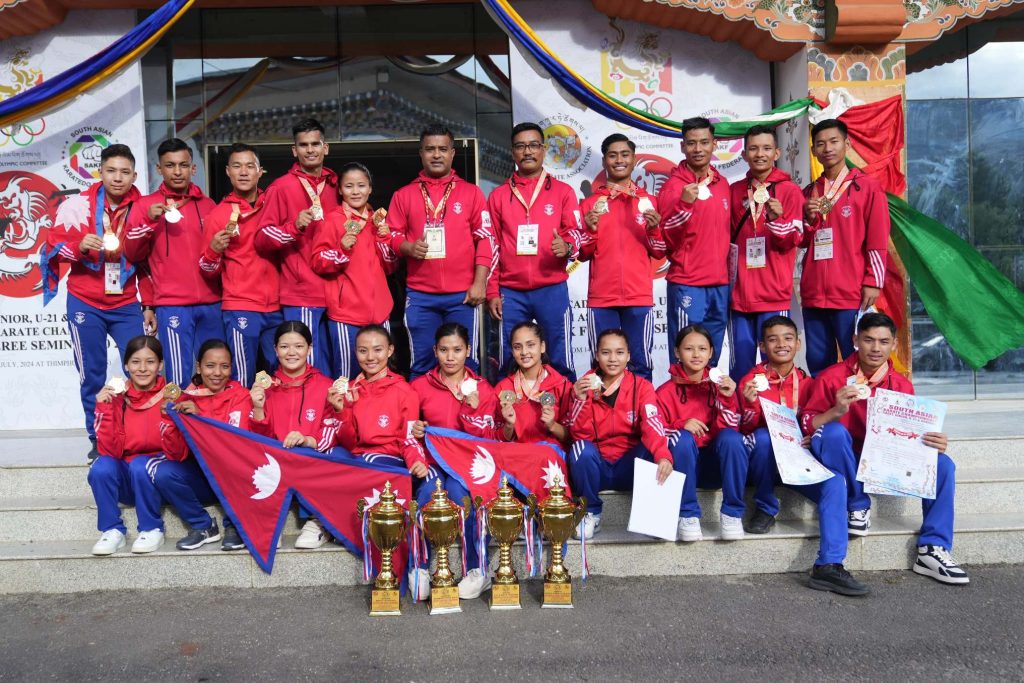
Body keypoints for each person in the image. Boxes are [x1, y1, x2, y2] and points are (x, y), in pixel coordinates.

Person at [801, 312, 968, 585]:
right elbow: (807, 424)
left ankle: (932, 548)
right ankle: (856, 504)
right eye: (868, 340)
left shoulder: (901, 384)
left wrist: (931, 444)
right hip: (842, 459)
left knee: (944, 464)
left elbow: (909, 434)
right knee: (832, 433)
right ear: (856, 340)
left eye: (883, 341)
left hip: (882, 460)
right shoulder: (832, 376)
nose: (876, 348)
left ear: (894, 344)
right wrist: (836, 411)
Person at [737, 316, 868, 596]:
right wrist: (749, 405)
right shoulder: (751, 381)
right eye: (772, 339)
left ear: (798, 344)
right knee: (763, 438)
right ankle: (765, 506)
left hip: (798, 462)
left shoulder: (809, 382)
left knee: (835, 483)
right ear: (762, 346)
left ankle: (829, 565)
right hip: (764, 461)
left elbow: (812, 421)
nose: (781, 344)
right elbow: (744, 428)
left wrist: (810, 436)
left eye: (787, 338)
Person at [43, 144, 147, 459]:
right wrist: (79, 246)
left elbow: (149, 262)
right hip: (85, 302)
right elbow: (51, 248)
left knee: (142, 366)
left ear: (134, 176)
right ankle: (98, 437)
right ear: (100, 172)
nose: (118, 178)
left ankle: (138, 433)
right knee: (92, 373)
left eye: (125, 172)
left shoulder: (142, 208)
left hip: (125, 302)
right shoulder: (76, 206)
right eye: (111, 171)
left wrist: (150, 305)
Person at [321, 325, 438, 599]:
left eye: (377, 350)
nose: (370, 357)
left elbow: (409, 438)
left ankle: (419, 565)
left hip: (392, 460)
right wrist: (342, 410)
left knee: (431, 483)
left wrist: (417, 462)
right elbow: (349, 441)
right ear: (355, 352)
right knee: (333, 458)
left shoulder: (404, 390)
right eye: (363, 351)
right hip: (363, 460)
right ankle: (331, 523)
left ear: (390, 350)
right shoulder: (349, 389)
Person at [387, 124, 494, 379]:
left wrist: (480, 283)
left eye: (443, 149)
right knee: (422, 363)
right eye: (430, 149)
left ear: (452, 153)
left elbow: (486, 239)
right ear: (421, 153)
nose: (436, 155)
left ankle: (468, 407)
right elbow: (390, 234)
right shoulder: (403, 195)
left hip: (463, 295)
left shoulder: (472, 193)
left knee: (466, 363)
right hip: (421, 296)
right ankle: (423, 407)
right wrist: (407, 247)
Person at [487, 122, 584, 380]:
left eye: (533, 145)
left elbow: (577, 232)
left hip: (551, 287)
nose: (527, 151)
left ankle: (564, 403)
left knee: (559, 354)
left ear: (543, 149)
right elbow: (491, 246)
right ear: (512, 152)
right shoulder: (498, 196)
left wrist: (567, 246)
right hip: (511, 291)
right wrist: (492, 290)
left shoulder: (563, 192)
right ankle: (509, 404)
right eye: (520, 146)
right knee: (509, 357)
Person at [410, 323, 499, 599]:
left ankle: (477, 569)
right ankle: (419, 568)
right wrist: (416, 436)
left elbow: (490, 438)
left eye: (457, 350)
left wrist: (470, 409)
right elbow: (407, 432)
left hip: (468, 464)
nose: (450, 357)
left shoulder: (483, 389)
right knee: (427, 493)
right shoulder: (419, 386)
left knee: (463, 497)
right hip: (433, 462)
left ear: (468, 350)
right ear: (435, 350)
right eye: (444, 350)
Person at [124, 138, 220, 388]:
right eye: (170, 165)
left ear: (193, 168)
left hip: (212, 302)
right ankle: (176, 416)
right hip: (172, 304)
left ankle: (210, 416)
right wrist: (149, 221)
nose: (177, 171)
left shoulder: (209, 205)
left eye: (183, 165)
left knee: (214, 374)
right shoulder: (145, 206)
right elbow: (133, 254)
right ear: (159, 169)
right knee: (178, 376)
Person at [567, 329, 678, 540]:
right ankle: (590, 513)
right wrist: (580, 400)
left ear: (628, 356)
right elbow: (579, 434)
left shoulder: (642, 386)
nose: (612, 359)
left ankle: (654, 515)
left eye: (619, 352)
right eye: (606, 352)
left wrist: (663, 455)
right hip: (598, 468)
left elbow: (652, 424)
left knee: (656, 448)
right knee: (580, 448)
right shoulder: (585, 386)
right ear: (597, 355)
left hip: (629, 466)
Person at [801, 119, 890, 376]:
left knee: (857, 359)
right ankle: (823, 403)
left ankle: (860, 403)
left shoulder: (868, 187)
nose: (827, 148)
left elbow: (877, 239)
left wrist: (874, 281)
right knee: (818, 361)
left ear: (847, 144)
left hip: (851, 291)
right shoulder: (809, 191)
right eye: (820, 144)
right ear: (814, 150)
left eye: (834, 141)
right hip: (814, 292)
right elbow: (801, 241)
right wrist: (808, 218)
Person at [579, 134, 664, 381]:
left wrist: (654, 230)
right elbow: (582, 254)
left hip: (638, 296)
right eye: (613, 155)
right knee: (601, 366)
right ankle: (601, 408)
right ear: (604, 161)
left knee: (641, 363)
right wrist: (590, 231)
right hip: (602, 298)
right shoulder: (590, 204)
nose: (619, 160)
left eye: (625, 155)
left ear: (634, 160)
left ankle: (640, 407)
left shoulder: (649, 202)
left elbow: (660, 251)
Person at [256, 118, 337, 374]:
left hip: (339, 293)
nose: (310, 150)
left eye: (315, 144)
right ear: (294, 150)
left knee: (336, 367)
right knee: (307, 367)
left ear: (325, 147)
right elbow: (262, 238)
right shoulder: (281, 187)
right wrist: (294, 227)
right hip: (302, 293)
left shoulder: (337, 186)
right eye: (303, 145)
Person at [156, 339, 252, 552]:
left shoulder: (241, 396)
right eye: (210, 366)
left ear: (231, 368)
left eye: (224, 366)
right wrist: (169, 421)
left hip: (234, 478)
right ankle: (203, 525)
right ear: (199, 367)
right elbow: (176, 454)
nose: (217, 373)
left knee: (236, 464)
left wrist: (201, 418)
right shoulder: (186, 397)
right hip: (203, 479)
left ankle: (235, 524)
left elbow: (235, 443)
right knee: (164, 472)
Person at [199, 143, 281, 386]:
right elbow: (206, 270)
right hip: (241, 305)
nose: (243, 172)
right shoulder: (218, 215)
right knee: (242, 375)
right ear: (228, 171)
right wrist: (214, 250)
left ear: (260, 171)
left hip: (277, 305)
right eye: (237, 166)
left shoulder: (274, 206)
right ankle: (241, 413)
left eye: (249, 166)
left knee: (281, 374)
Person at [249, 321, 335, 549]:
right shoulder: (264, 387)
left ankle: (317, 522)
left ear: (309, 348)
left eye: (299, 346)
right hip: (275, 462)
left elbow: (332, 429)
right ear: (275, 349)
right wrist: (257, 408)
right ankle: (271, 522)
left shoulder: (326, 386)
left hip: (310, 459)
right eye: (284, 346)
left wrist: (307, 440)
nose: (291, 352)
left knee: (319, 456)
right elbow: (256, 439)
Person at [728, 125, 804, 382]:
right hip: (740, 296)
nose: (760, 154)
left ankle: (777, 409)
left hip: (774, 295)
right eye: (753, 148)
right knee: (740, 368)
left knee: (776, 365)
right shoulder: (735, 190)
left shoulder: (790, 191)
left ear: (777, 153)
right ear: (744, 154)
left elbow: (794, 240)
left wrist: (776, 218)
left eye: (766, 148)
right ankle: (741, 408)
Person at [657, 325, 746, 542]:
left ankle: (732, 514)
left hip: (714, 466)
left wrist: (727, 399)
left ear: (711, 352)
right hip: (682, 468)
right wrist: (681, 424)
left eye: (702, 349)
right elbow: (655, 432)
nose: (696, 354)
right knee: (682, 438)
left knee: (732, 438)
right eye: (689, 349)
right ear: (677, 352)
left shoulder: (721, 386)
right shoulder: (664, 392)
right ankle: (687, 515)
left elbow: (731, 427)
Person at [311, 162, 397, 379]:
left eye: (361, 185)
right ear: (340, 190)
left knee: (381, 375)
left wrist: (384, 239)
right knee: (346, 377)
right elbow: (318, 260)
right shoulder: (333, 220)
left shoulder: (377, 221)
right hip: (346, 314)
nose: (356, 191)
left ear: (370, 189)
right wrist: (342, 250)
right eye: (349, 186)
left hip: (380, 312)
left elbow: (390, 266)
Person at [657, 117, 731, 367]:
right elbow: (665, 238)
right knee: (686, 355)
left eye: (704, 142)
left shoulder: (722, 184)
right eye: (691, 143)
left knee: (711, 355)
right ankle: (681, 394)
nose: (698, 149)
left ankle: (708, 392)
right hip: (687, 283)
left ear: (714, 144)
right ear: (682, 147)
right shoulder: (673, 187)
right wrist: (684, 205)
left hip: (720, 283)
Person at [88, 336, 168, 555]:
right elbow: (110, 451)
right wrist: (104, 409)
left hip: (160, 479)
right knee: (101, 466)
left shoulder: (171, 395)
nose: (142, 368)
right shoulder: (116, 396)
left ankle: (151, 528)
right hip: (130, 479)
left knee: (141, 465)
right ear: (125, 366)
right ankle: (112, 530)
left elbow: (178, 450)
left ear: (160, 365)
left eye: (150, 362)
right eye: (135, 362)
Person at [494, 322, 574, 445]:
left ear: (542, 347)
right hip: (516, 453)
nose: (524, 352)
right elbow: (494, 438)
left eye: (530, 345)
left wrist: (552, 425)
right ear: (512, 351)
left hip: (549, 453)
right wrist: (509, 426)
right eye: (517, 347)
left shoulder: (562, 386)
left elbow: (571, 437)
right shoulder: (502, 388)